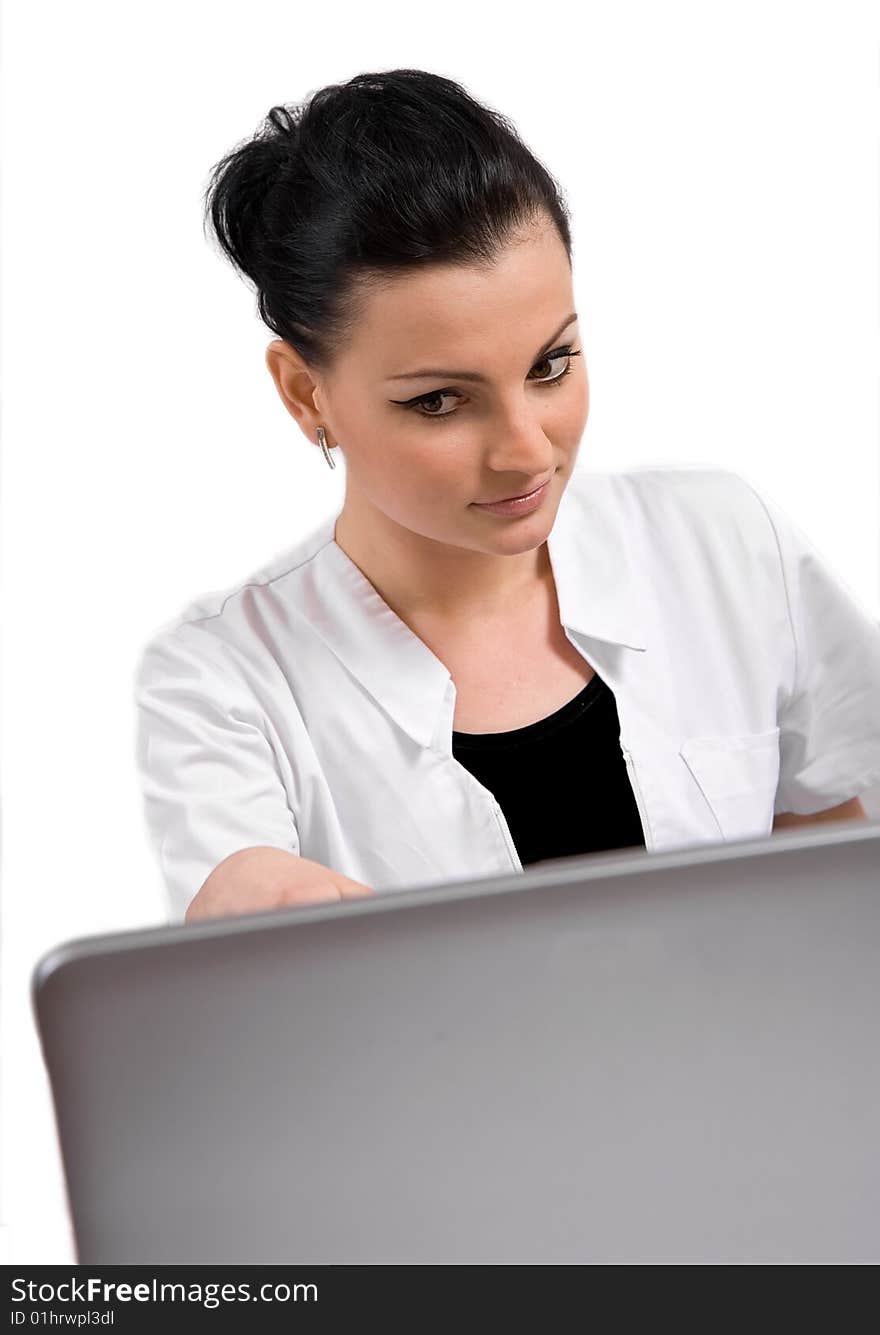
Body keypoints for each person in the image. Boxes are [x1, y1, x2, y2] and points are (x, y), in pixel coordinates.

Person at [134, 68, 880, 925]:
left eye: (550, 364)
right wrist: (246, 898)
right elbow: (237, 896)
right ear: (307, 395)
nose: (527, 451)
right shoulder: (226, 680)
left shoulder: (724, 541)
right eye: (439, 401)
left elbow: (833, 839)